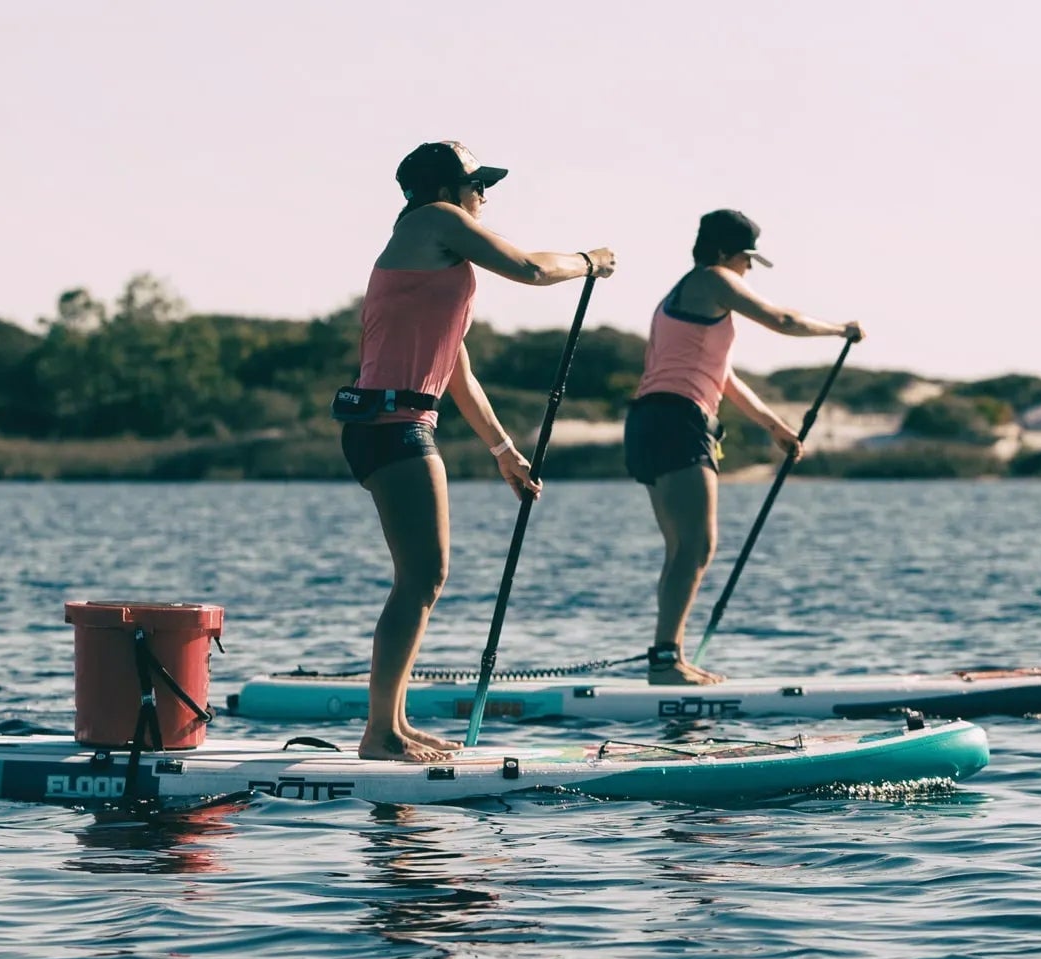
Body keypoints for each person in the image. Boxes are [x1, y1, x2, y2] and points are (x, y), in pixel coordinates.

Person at [337, 141, 616, 761]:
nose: (484, 195)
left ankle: (395, 725)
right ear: (444, 188)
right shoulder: (436, 221)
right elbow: (530, 269)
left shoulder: (434, 266)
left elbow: (457, 371)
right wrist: (588, 261)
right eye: (477, 183)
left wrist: (503, 449)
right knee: (423, 578)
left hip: (396, 423)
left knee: (420, 580)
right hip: (393, 425)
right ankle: (379, 733)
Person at [623, 209, 861, 685]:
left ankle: (668, 657)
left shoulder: (683, 295)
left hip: (654, 419)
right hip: (677, 419)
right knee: (696, 545)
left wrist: (774, 426)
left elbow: (722, 377)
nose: (748, 269)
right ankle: (667, 661)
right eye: (745, 258)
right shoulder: (713, 280)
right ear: (720, 253)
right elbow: (782, 319)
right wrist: (840, 330)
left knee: (683, 549)